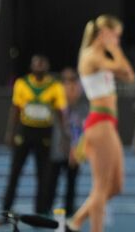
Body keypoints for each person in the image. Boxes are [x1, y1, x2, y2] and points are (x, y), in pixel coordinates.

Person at [67, 15, 135, 232]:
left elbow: (129, 76)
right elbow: (121, 66)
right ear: (103, 33)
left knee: (116, 186)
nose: (117, 40)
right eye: (115, 35)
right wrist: (114, 49)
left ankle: (75, 222)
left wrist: (114, 49)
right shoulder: (91, 56)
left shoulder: (101, 57)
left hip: (108, 123)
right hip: (99, 123)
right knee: (101, 187)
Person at [2, 55, 68, 215]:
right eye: (36, 63)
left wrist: (64, 135)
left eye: (42, 63)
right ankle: (6, 209)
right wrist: (10, 132)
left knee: (43, 175)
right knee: (15, 172)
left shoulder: (55, 86)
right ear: (31, 66)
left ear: (47, 67)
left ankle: (40, 211)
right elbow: (15, 109)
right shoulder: (22, 84)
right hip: (25, 131)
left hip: (44, 133)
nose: (39, 66)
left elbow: (61, 113)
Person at [44, 68, 87, 215]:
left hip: (75, 151)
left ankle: (69, 209)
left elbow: (82, 129)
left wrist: (77, 149)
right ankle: (46, 208)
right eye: (66, 81)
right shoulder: (55, 103)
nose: (70, 86)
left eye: (72, 81)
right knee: (51, 181)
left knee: (72, 182)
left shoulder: (83, 106)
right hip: (57, 150)